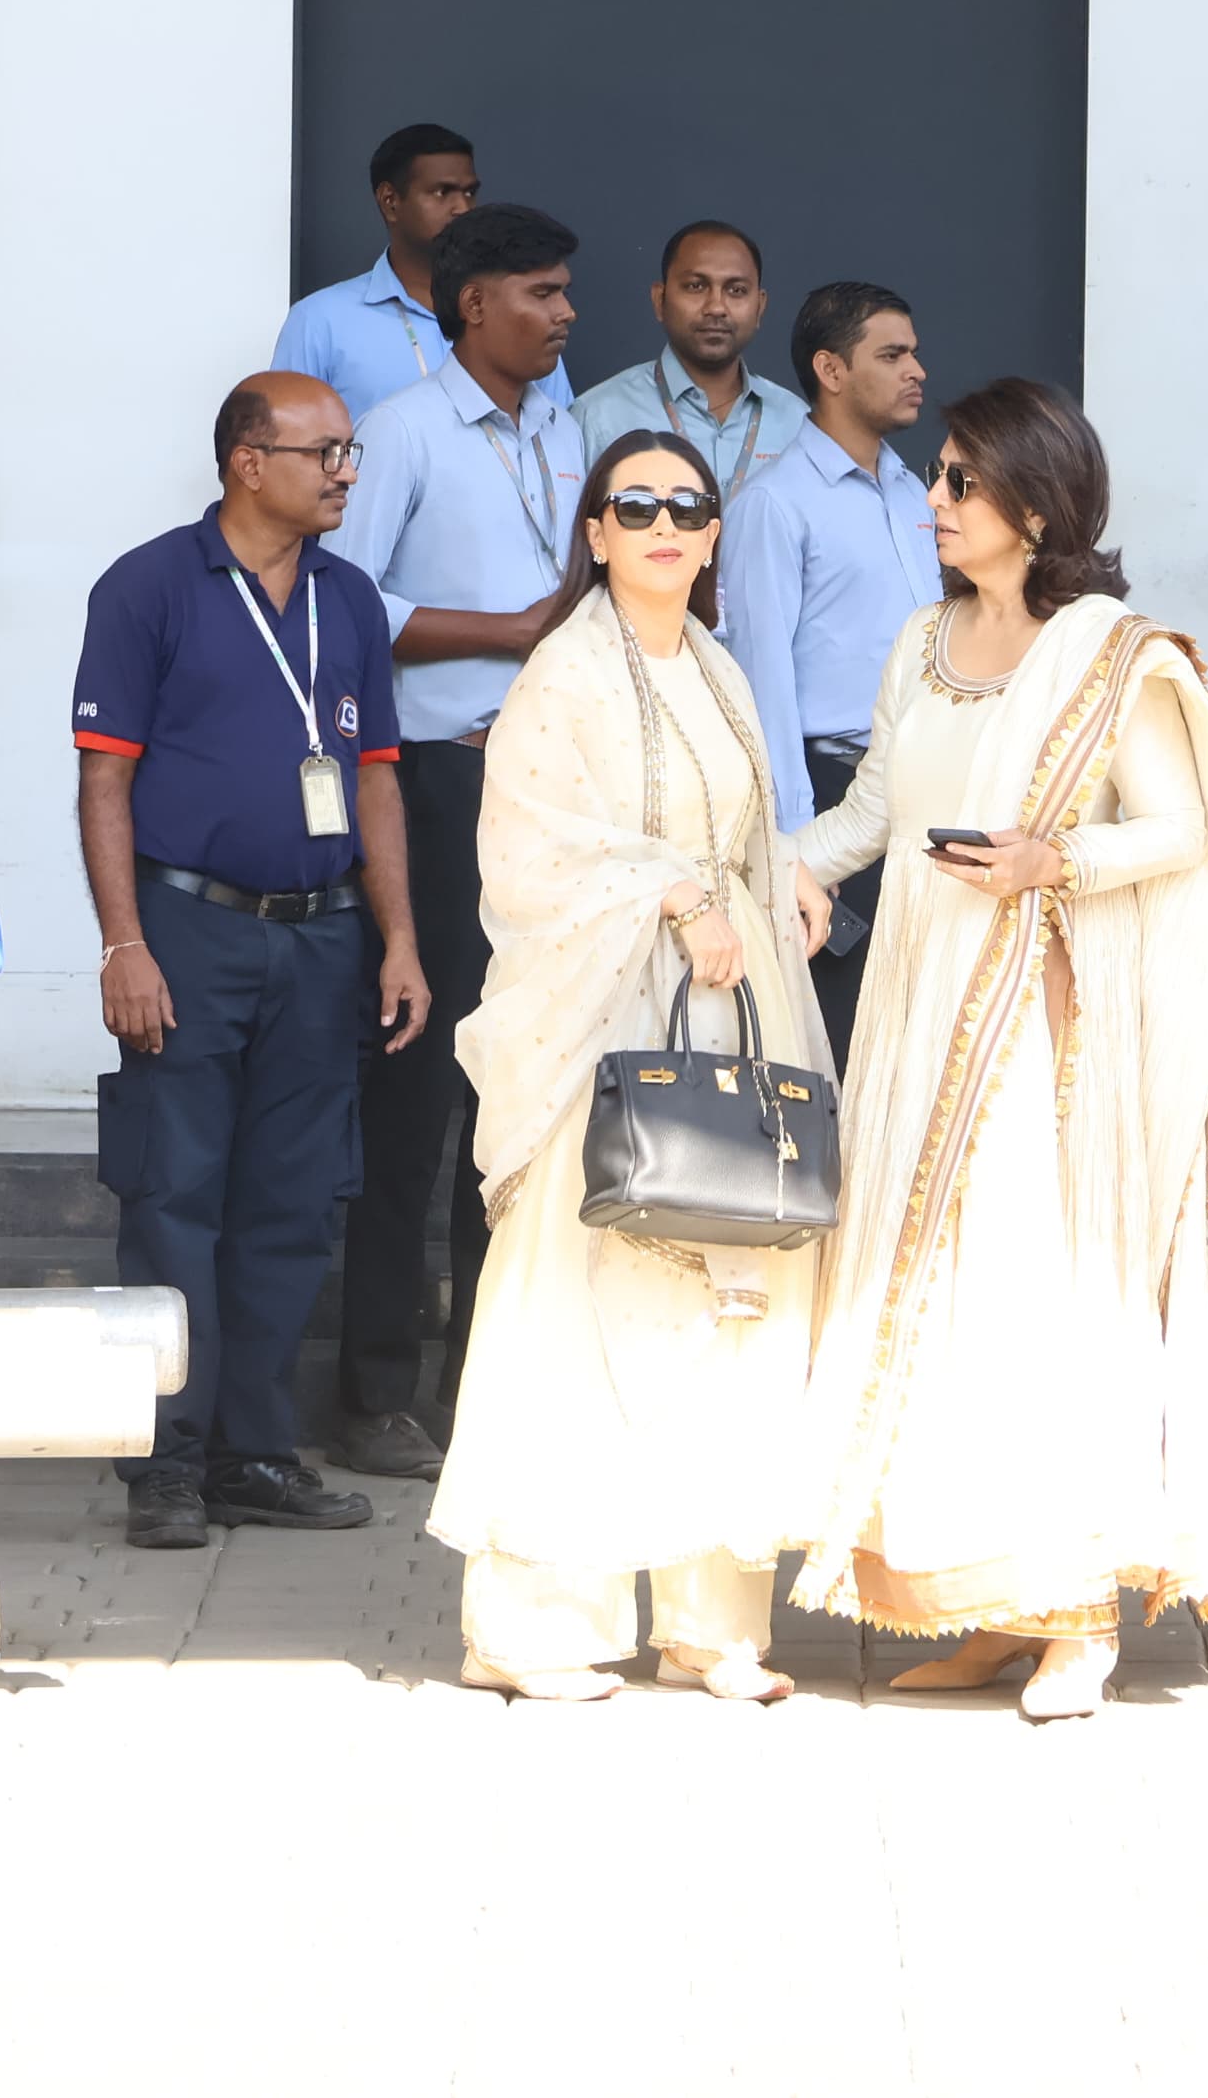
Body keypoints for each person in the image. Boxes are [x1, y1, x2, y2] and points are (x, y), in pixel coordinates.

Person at [784, 380, 1208, 1721]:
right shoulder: (922, 639)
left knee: (1028, 1300)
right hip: (916, 1011)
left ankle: (1074, 1611)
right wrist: (785, 873)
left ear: (1033, 499)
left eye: (960, 482)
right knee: (933, 1300)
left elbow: (1190, 829)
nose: (934, 503)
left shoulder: (1108, 652)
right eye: (941, 478)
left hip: (1036, 1024)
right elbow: (870, 806)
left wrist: (1049, 858)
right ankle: (980, 1601)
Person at [425, 431, 828, 1703]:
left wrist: (783, 883)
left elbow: (742, 829)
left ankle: (710, 1625)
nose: (662, 523)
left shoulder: (716, 668)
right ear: (594, 530)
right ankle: (532, 1624)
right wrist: (666, 893)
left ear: (713, 533)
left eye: (686, 505)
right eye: (633, 504)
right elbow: (529, 857)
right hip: (602, 1040)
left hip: (727, 1012)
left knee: (731, 1306)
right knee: (576, 1309)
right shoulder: (562, 675)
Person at [72, 370, 432, 1549]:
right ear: (245, 460)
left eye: (347, 453)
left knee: (289, 1202)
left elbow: (373, 772)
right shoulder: (147, 588)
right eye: (322, 451)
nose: (342, 471)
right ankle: (164, 1466)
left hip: (322, 934)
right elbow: (105, 779)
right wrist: (123, 941)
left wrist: (399, 941)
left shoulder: (350, 600)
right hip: (187, 927)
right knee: (174, 1197)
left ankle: (255, 1456)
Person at [319, 204, 590, 1481]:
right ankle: (373, 1394)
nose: (563, 313)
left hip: (551, 796)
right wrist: (505, 631)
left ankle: (485, 1379)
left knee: (523, 1089)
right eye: (540, 293)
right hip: (434, 786)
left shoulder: (567, 424)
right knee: (416, 1093)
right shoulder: (405, 433)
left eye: (564, 292)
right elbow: (343, 603)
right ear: (472, 303)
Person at [718, 280, 934, 1055]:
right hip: (828, 786)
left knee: (914, 1031)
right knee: (838, 1038)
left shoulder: (918, 492)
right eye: (892, 354)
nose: (917, 370)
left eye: (913, 352)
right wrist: (793, 843)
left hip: (919, 793)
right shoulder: (775, 504)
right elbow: (759, 678)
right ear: (831, 370)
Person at [271, 121, 570, 417]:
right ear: (390, 202)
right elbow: (285, 444)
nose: (462, 209)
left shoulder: (514, 315)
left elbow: (558, 429)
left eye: (469, 193)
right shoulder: (320, 321)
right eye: (442, 192)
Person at [570, 220, 806, 499]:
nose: (717, 307)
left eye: (737, 290)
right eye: (696, 286)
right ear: (660, 299)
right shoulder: (599, 417)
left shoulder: (796, 421)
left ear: (760, 307)